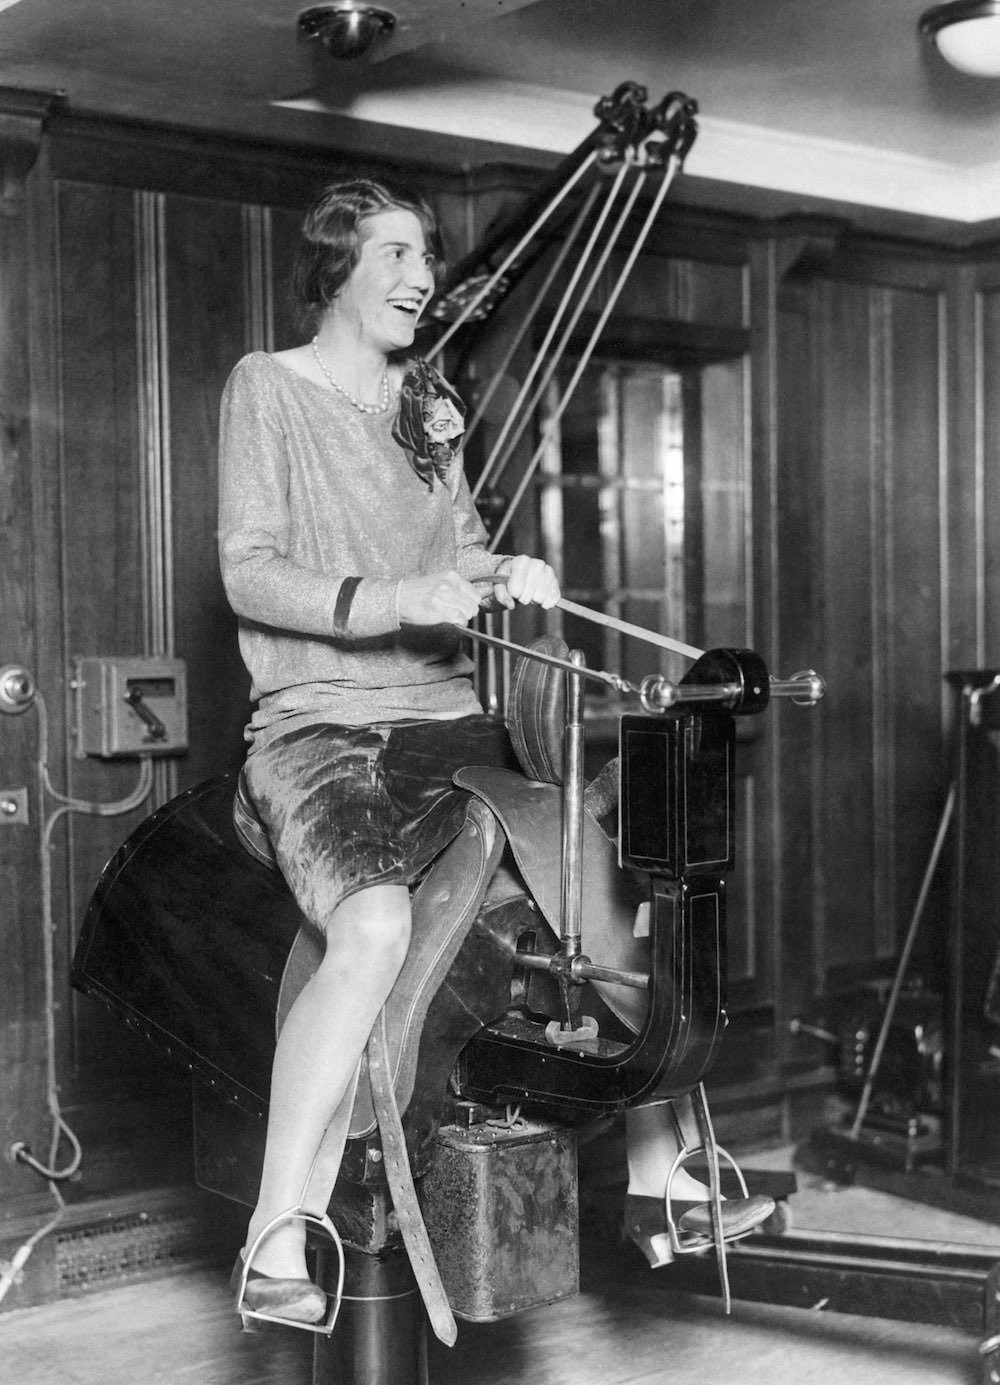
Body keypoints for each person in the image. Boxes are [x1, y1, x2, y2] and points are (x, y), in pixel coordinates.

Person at [218, 175, 769, 1330]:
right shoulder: (268, 386)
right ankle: (277, 1226)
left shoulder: (428, 405)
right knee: (372, 926)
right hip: (316, 726)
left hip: (445, 720)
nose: (422, 277)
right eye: (397, 254)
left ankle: (662, 1172)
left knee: (587, 879)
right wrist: (396, 597)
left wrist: (499, 570)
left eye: (427, 257)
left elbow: (460, 549)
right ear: (336, 267)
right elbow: (249, 571)